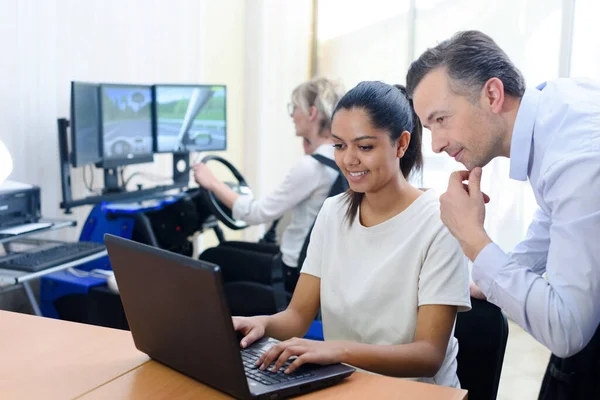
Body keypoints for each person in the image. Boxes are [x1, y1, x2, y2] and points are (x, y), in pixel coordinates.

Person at [232, 81, 471, 387]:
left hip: (412, 392)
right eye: (340, 145)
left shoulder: (440, 222)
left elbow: (428, 354)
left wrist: (336, 350)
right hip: (345, 385)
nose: (349, 160)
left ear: (400, 144)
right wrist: (260, 323)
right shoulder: (333, 212)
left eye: (365, 147)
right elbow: (297, 317)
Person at [406, 30, 600, 398]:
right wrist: (493, 275)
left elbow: (567, 331)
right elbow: (556, 215)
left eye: (442, 119)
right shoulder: (554, 109)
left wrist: (473, 239)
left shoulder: (578, 158)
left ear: (493, 94)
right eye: (428, 127)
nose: (436, 143)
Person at [193, 77, 345, 292]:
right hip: (310, 266)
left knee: (210, 258)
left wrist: (213, 183)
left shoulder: (312, 167)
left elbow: (258, 213)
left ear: (311, 113)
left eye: (295, 108)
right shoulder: (338, 159)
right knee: (224, 249)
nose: (292, 115)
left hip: (290, 271)